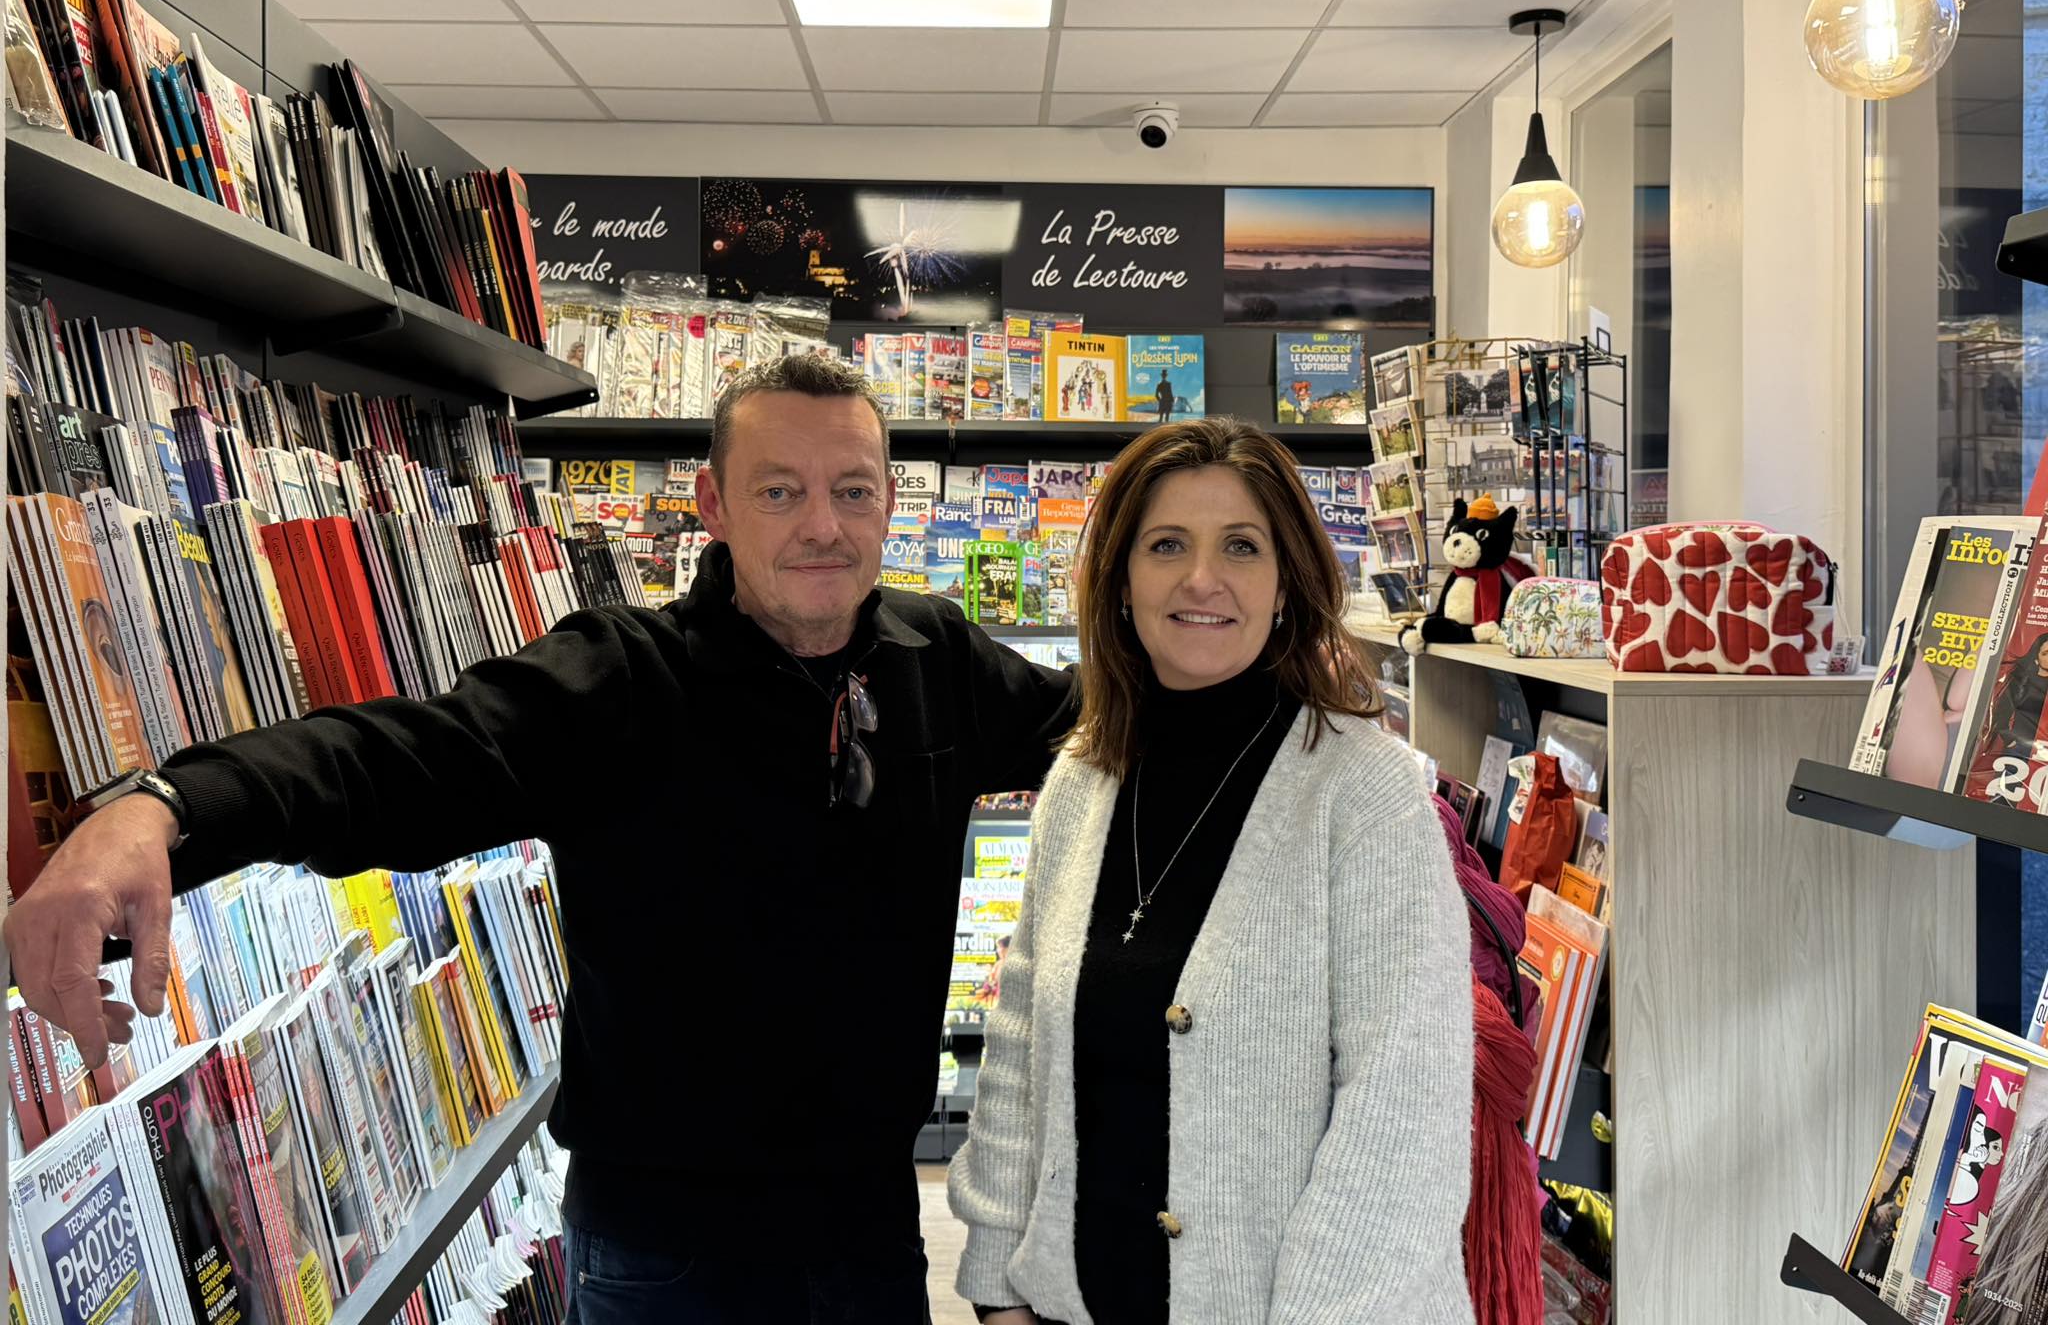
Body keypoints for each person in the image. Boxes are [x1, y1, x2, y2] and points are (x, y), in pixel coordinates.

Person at [3, 353, 1078, 1325]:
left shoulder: (934, 656)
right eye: (778, 491)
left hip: (868, 1232)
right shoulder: (622, 677)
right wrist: (165, 808)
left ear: (889, 500)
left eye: (852, 491)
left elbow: (1093, 724)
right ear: (711, 503)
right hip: (667, 1256)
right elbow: (399, 761)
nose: (822, 527)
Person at [949, 417, 1475, 1325]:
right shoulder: (1083, 778)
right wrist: (999, 1288)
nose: (1202, 579)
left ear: (1287, 581)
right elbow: (1022, 1040)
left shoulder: (1364, 792)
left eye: (1241, 545)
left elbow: (1402, 1117)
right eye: (1166, 545)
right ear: (1119, 581)